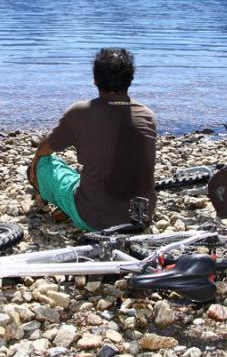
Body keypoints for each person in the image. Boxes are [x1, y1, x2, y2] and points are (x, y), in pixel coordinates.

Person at [28, 48, 157, 231]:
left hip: (95, 219)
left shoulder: (81, 112)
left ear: (95, 80)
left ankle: (55, 198)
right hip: (140, 217)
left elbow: (46, 147)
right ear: (130, 79)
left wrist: (35, 161)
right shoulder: (148, 116)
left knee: (44, 164)